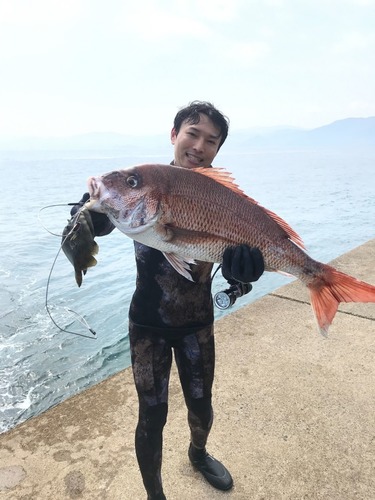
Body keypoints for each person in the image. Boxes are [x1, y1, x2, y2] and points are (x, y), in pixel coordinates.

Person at [69, 101, 264, 500]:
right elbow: (104, 217)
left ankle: (198, 453)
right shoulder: (142, 184)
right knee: (151, 416)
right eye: (193, 133)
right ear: (174, 135)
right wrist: (83, 216)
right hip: (147, 325)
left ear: (217, 150)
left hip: (197, 323)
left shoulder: (220, 197)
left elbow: (229, 258)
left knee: (201, 405)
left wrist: (244, 272)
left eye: (211, 141)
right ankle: (155, 495)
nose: (199, 145)